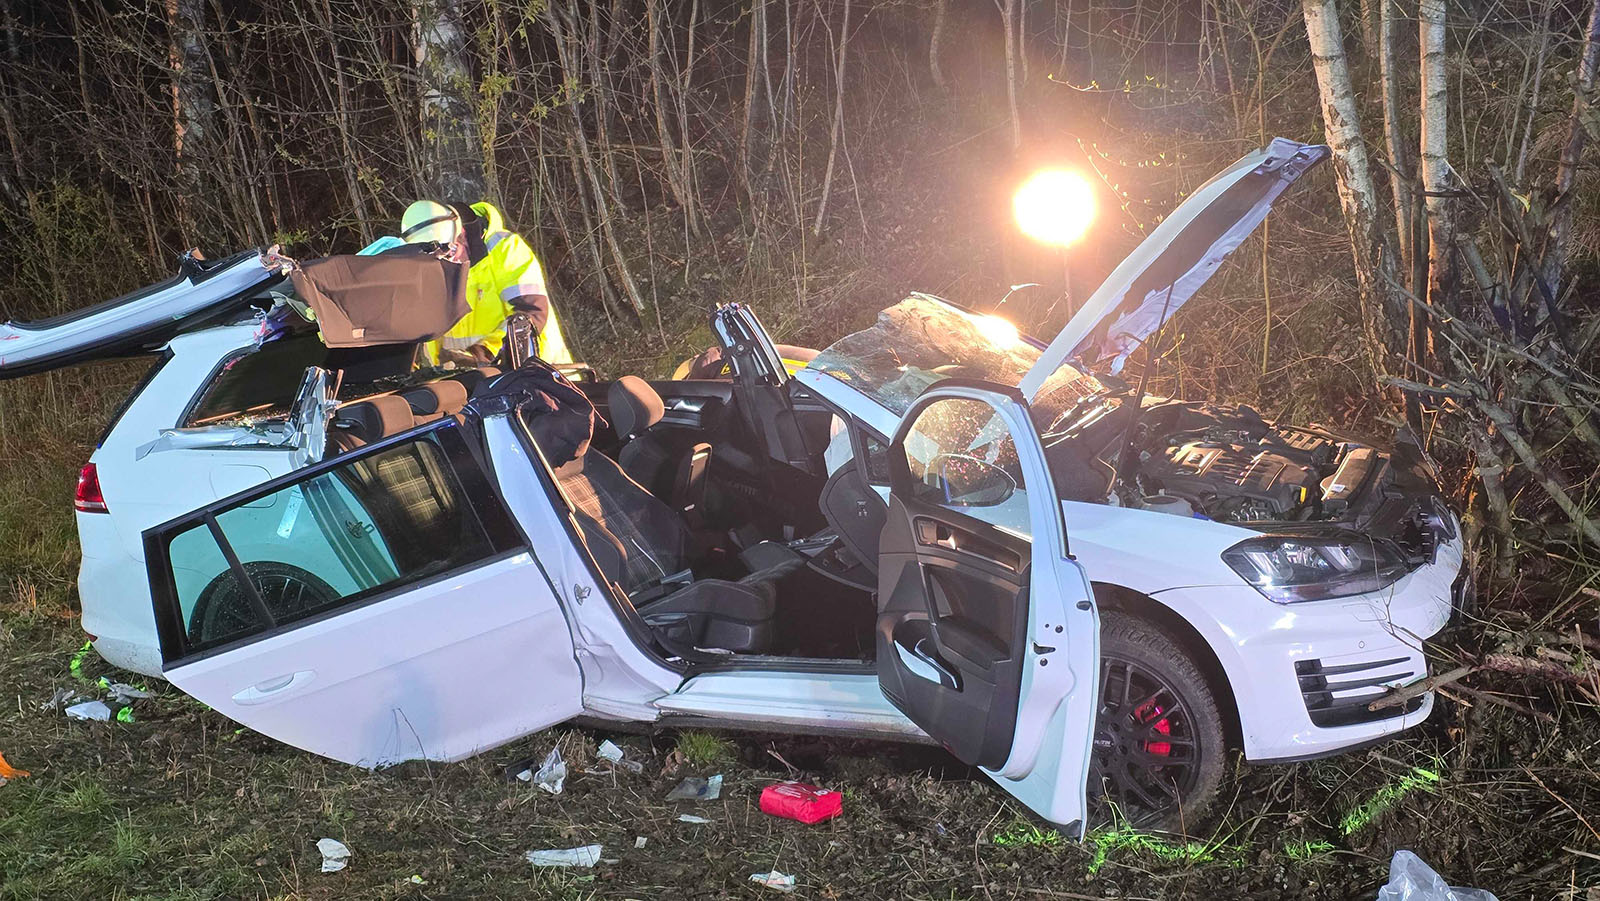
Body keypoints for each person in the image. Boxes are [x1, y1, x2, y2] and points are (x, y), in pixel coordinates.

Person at [399, 199, 572, 366]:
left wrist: (483, 353)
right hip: (465, 380)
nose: (448, 262)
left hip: (538, 374)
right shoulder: (431, 270)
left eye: (450, 252)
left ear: (462, 234)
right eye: (437, 258)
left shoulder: (505, 249)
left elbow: (530, 313)